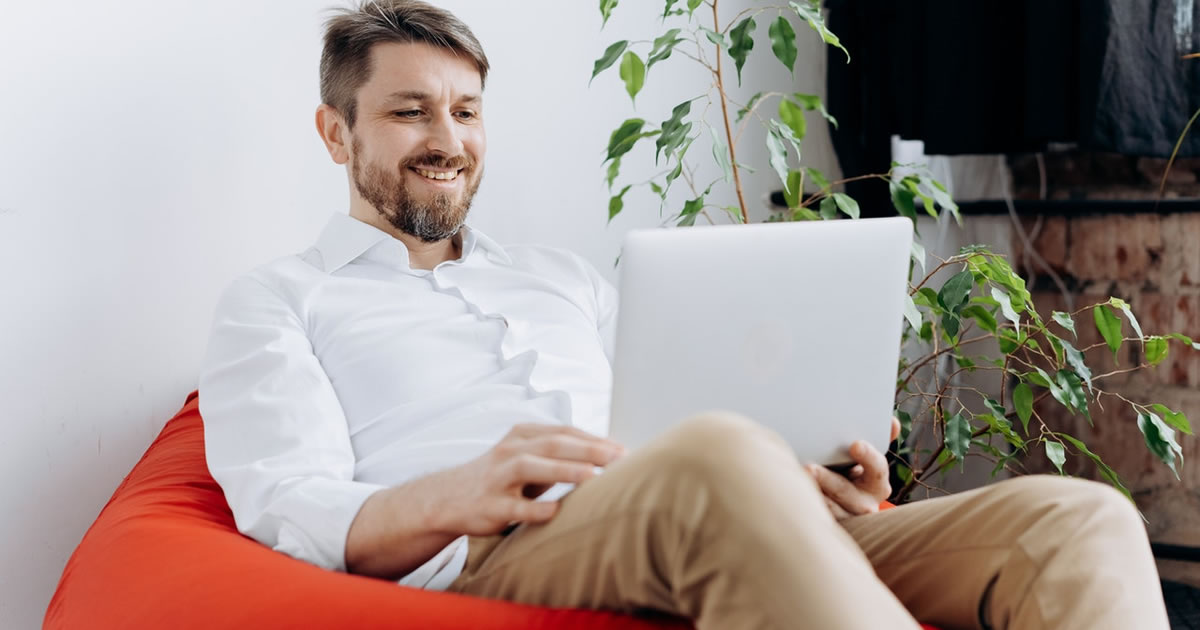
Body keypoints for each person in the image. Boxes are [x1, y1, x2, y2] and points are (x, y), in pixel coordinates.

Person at [198, 1, 1171, 628]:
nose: (446, 139)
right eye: (410, 111)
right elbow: (285, 502)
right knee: (713, 455)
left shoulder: (562, 277)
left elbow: (682, 418)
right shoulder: (276, 303)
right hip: (503, 555)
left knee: (1077, 517)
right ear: (336, 132)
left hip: (696, 509)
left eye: (466, 110)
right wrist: (460, 492)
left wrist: (805, 465)